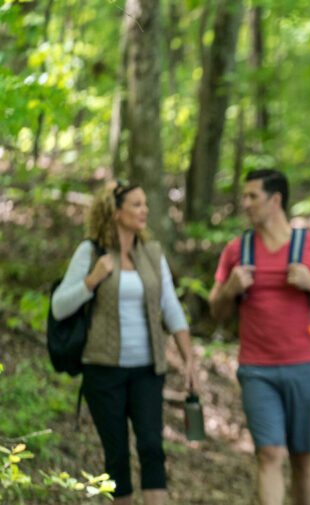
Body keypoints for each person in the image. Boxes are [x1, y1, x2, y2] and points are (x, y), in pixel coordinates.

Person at [208, 169, 310, 505]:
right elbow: (216, 310)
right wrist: (229, 288)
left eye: (252, 196)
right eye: (244, 196)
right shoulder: (236, 250)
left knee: (303, 457)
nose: (245, 203)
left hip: (306, 367)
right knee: (268, 454)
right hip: (256, 369)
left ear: (275, 200)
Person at [52, 181, 199, 505]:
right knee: (116, 454)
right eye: (136, 204)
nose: (144, 210)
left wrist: (188, 358)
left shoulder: (151, 252)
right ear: (115, 211)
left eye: (145, 203)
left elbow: (171, 306)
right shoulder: (90, 252)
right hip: (103, 370)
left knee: (151, 447)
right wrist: (91, 281)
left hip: (148, 369)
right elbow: (59, 306)